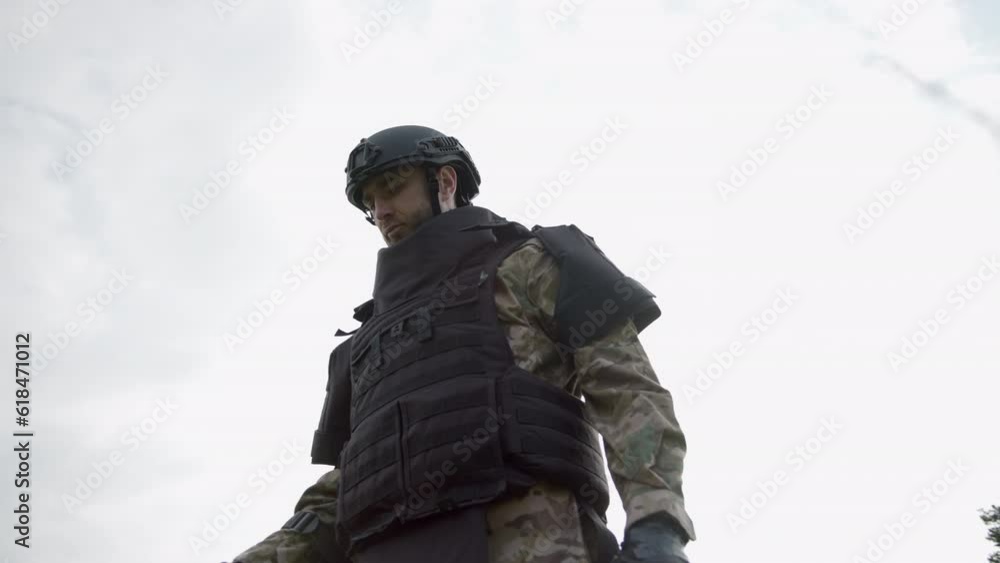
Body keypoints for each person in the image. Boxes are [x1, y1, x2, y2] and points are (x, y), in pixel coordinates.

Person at [230, 125, 695, 563]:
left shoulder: (527, 264)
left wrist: (657, 523)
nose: (382, 211)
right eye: (371, 201)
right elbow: (351, 483)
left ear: (446, 182)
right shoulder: (364, 344)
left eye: (392, 187)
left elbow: (626, 391)